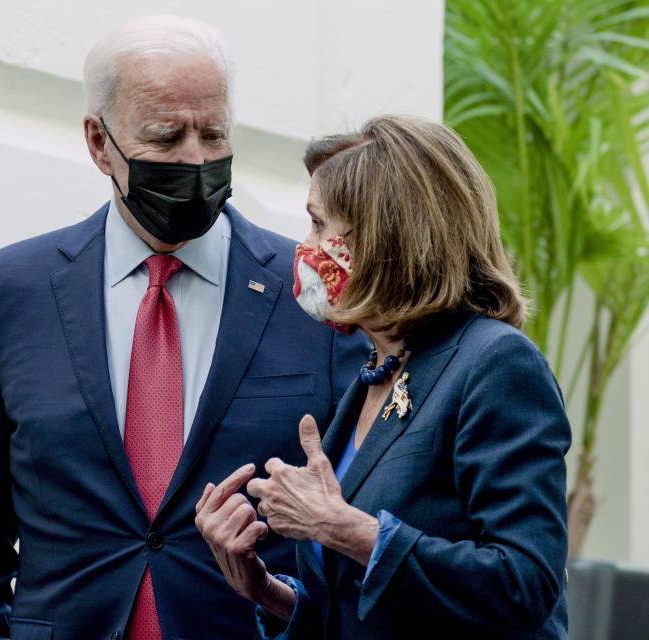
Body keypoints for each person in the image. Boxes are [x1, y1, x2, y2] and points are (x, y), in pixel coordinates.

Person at [0, 15, 367, 640]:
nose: (195, 158)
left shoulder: (316, 295)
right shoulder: (11, 292)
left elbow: (360, 525)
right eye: (166, 137)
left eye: (214, 133)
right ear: (99, 142)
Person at [195, 115, 572, 639]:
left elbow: (524, 584)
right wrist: (264, 590)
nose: (305, 247)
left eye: (320, 224)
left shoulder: (496, 363)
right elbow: (365, 607)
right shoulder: (377, 372)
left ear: (385, 237)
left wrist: (340, 527)